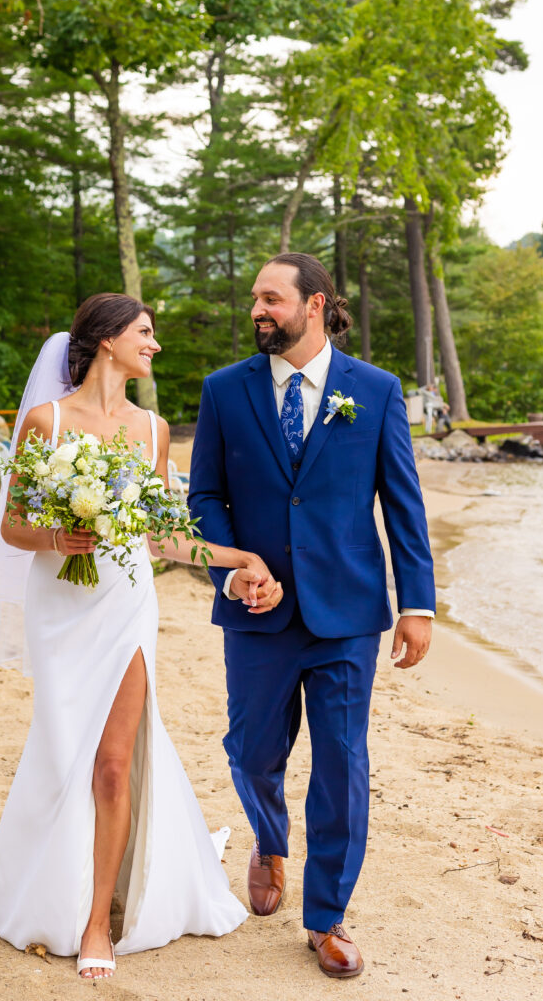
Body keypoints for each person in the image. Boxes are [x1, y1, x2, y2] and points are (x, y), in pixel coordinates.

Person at [0, 293, 284, 979]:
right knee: (63, 754)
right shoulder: (45, 421)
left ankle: (94, 925)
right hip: (59, 606)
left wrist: (240, 559)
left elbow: (160, 536)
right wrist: (60, 533)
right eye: (145, 333)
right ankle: (42, 879)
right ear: (107, 339)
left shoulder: (153, 429)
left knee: (114, 763)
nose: (155, 345)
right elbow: (14, 527)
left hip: (126, 603)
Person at [188, 254, 435, 979]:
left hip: (348, 613)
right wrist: (232, 572)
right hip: (256, 613)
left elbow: (403, 503)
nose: (258, 310)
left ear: (314, 304)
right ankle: (269, 840)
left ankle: (325, 918)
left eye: (271, 298)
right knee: (252, 750)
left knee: (341, 764)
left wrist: (416, 604)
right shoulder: (224, 391)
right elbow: (205, 497)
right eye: (253, 300)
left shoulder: (376, 390)